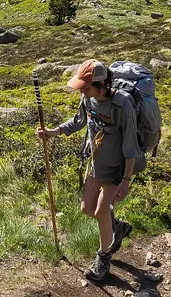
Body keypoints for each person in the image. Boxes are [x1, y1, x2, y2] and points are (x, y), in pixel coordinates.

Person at [39, 59, 142, 282]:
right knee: (87, 208)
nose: (83, 92)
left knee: (100, 212)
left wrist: (126, 179)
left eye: (87, 87)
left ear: (102, 84)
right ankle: (117, 229)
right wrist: (53, 132)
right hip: (96, 162)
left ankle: (103, 259)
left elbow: (131, 144)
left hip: (117, 167)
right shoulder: (88, 99)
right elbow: (79, 121)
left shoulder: (123, 105)